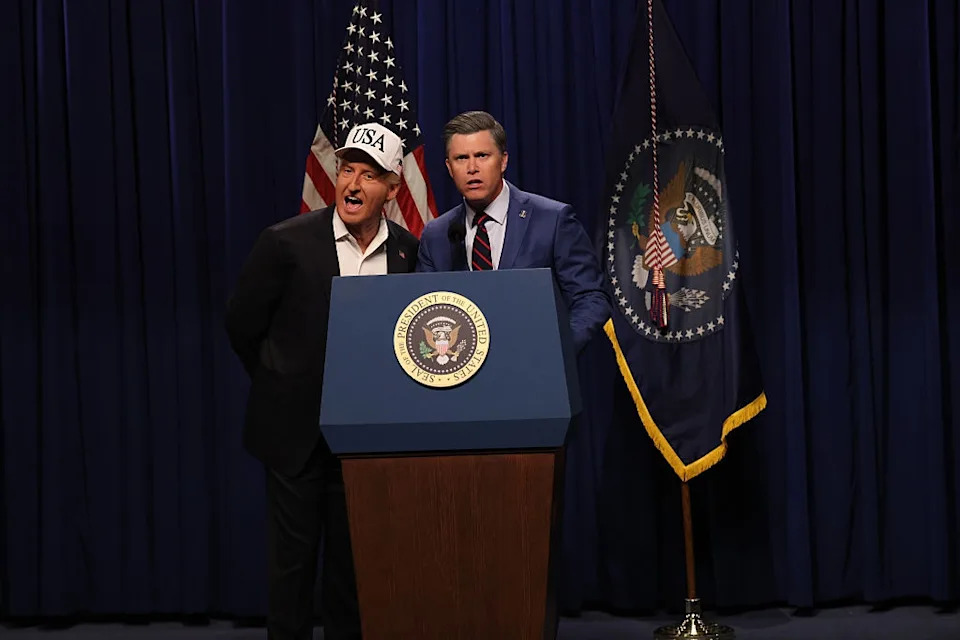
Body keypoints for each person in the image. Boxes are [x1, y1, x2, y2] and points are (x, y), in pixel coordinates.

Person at [225, 122, 419, 640]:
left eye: (370, 175)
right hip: (295, 435)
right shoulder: (285, 243)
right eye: (347, 170)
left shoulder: (408, 253)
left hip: (366, 439)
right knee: (291, 572)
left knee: (353, 576)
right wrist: (284, 382)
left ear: (393, 188)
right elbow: (242, 325)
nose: (353, 185)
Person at [417, 110, 609, 352]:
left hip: (537, 373)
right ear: (449, 167)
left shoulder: (552, 220)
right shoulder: (436, 235)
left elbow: (590, 297)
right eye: (461, 158)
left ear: (504, 160)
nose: (472, 167)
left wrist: (557, 351)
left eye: (482, 155)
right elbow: (426, 311)